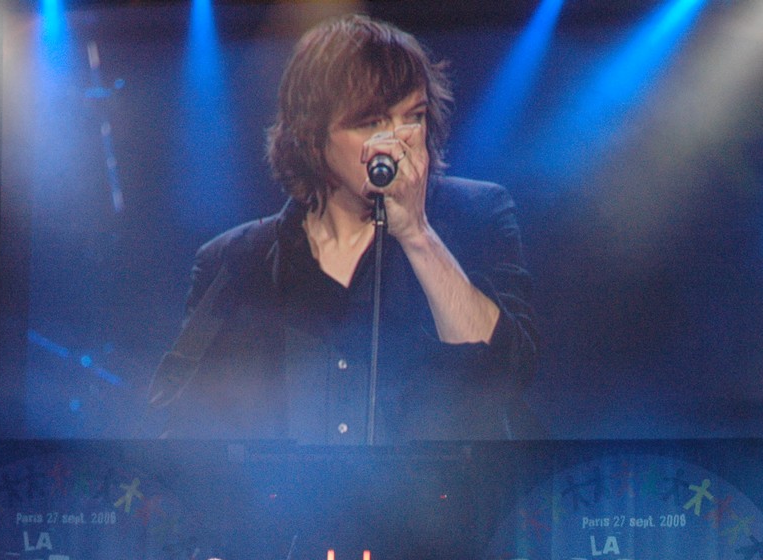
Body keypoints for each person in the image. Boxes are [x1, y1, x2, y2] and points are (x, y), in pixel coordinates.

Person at [149, 13, 538, 444]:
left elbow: (507, 373)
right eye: (371, 123)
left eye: (414, 116)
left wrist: (417, 234)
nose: (398, 141)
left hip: (438, 506)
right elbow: (181, 416)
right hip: (291, 507)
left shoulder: (476, 215)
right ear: (313, 138)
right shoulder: (236, 260)